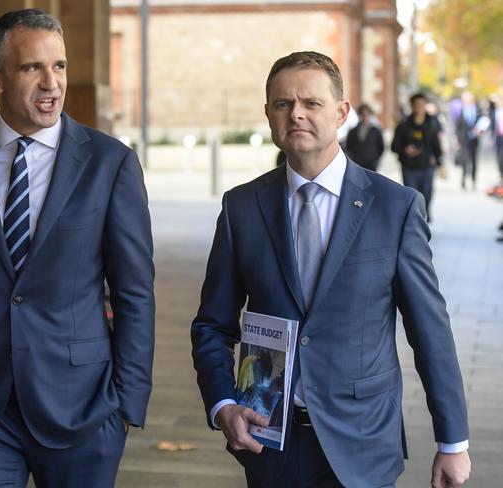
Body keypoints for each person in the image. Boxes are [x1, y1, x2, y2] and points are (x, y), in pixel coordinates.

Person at [191, 51, 470, 488]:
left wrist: (452, 441)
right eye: (283, 104)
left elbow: (429, 330)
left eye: (311, 103)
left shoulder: (395, 208)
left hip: (362, 441)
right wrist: (223, 403)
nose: (296, 114)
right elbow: (212, 324)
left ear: (341, 113)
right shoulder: (241, 207)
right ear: (268, 114)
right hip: (270, 443)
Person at [0, 9, 154, 487]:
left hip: (81, 406)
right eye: (31, 68)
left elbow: (134, 292)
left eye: (59, 66)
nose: (51, 83)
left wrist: (127, 403)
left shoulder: (110, 163)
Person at [391, 92, 442, 221]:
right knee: (412, 195)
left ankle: (424, 214)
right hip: (409, 166)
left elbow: (436, 145)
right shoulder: (404, 125)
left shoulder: (432, 124)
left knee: (427, 193)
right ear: (412, 106)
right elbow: (394, 146)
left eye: (422, 105)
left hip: (427, 166)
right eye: (416, 105)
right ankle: (415, 220)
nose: (419, 108)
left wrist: (440, 162)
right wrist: (405, 150)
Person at [455, 91, 486, 190]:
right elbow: (458, 126)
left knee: (474, 159)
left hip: (474, 139)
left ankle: (473, 180)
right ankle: (463, 180)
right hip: (464, 139)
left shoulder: (478, 110)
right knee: (464, 160)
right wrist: (457, 139)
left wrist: (480, 131)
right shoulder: (461, 110)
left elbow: (484, 122)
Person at [343, 103, 384, 171]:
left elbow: (381, 147)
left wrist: (375, 161)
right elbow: (348, 147)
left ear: (370, 115)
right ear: (359, 115)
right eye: (362, 114)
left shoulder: (375, 131)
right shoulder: (353, 131)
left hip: (371, 165)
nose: (365, 117)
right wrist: (352, 159)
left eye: (367, 115)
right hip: (357, 164)